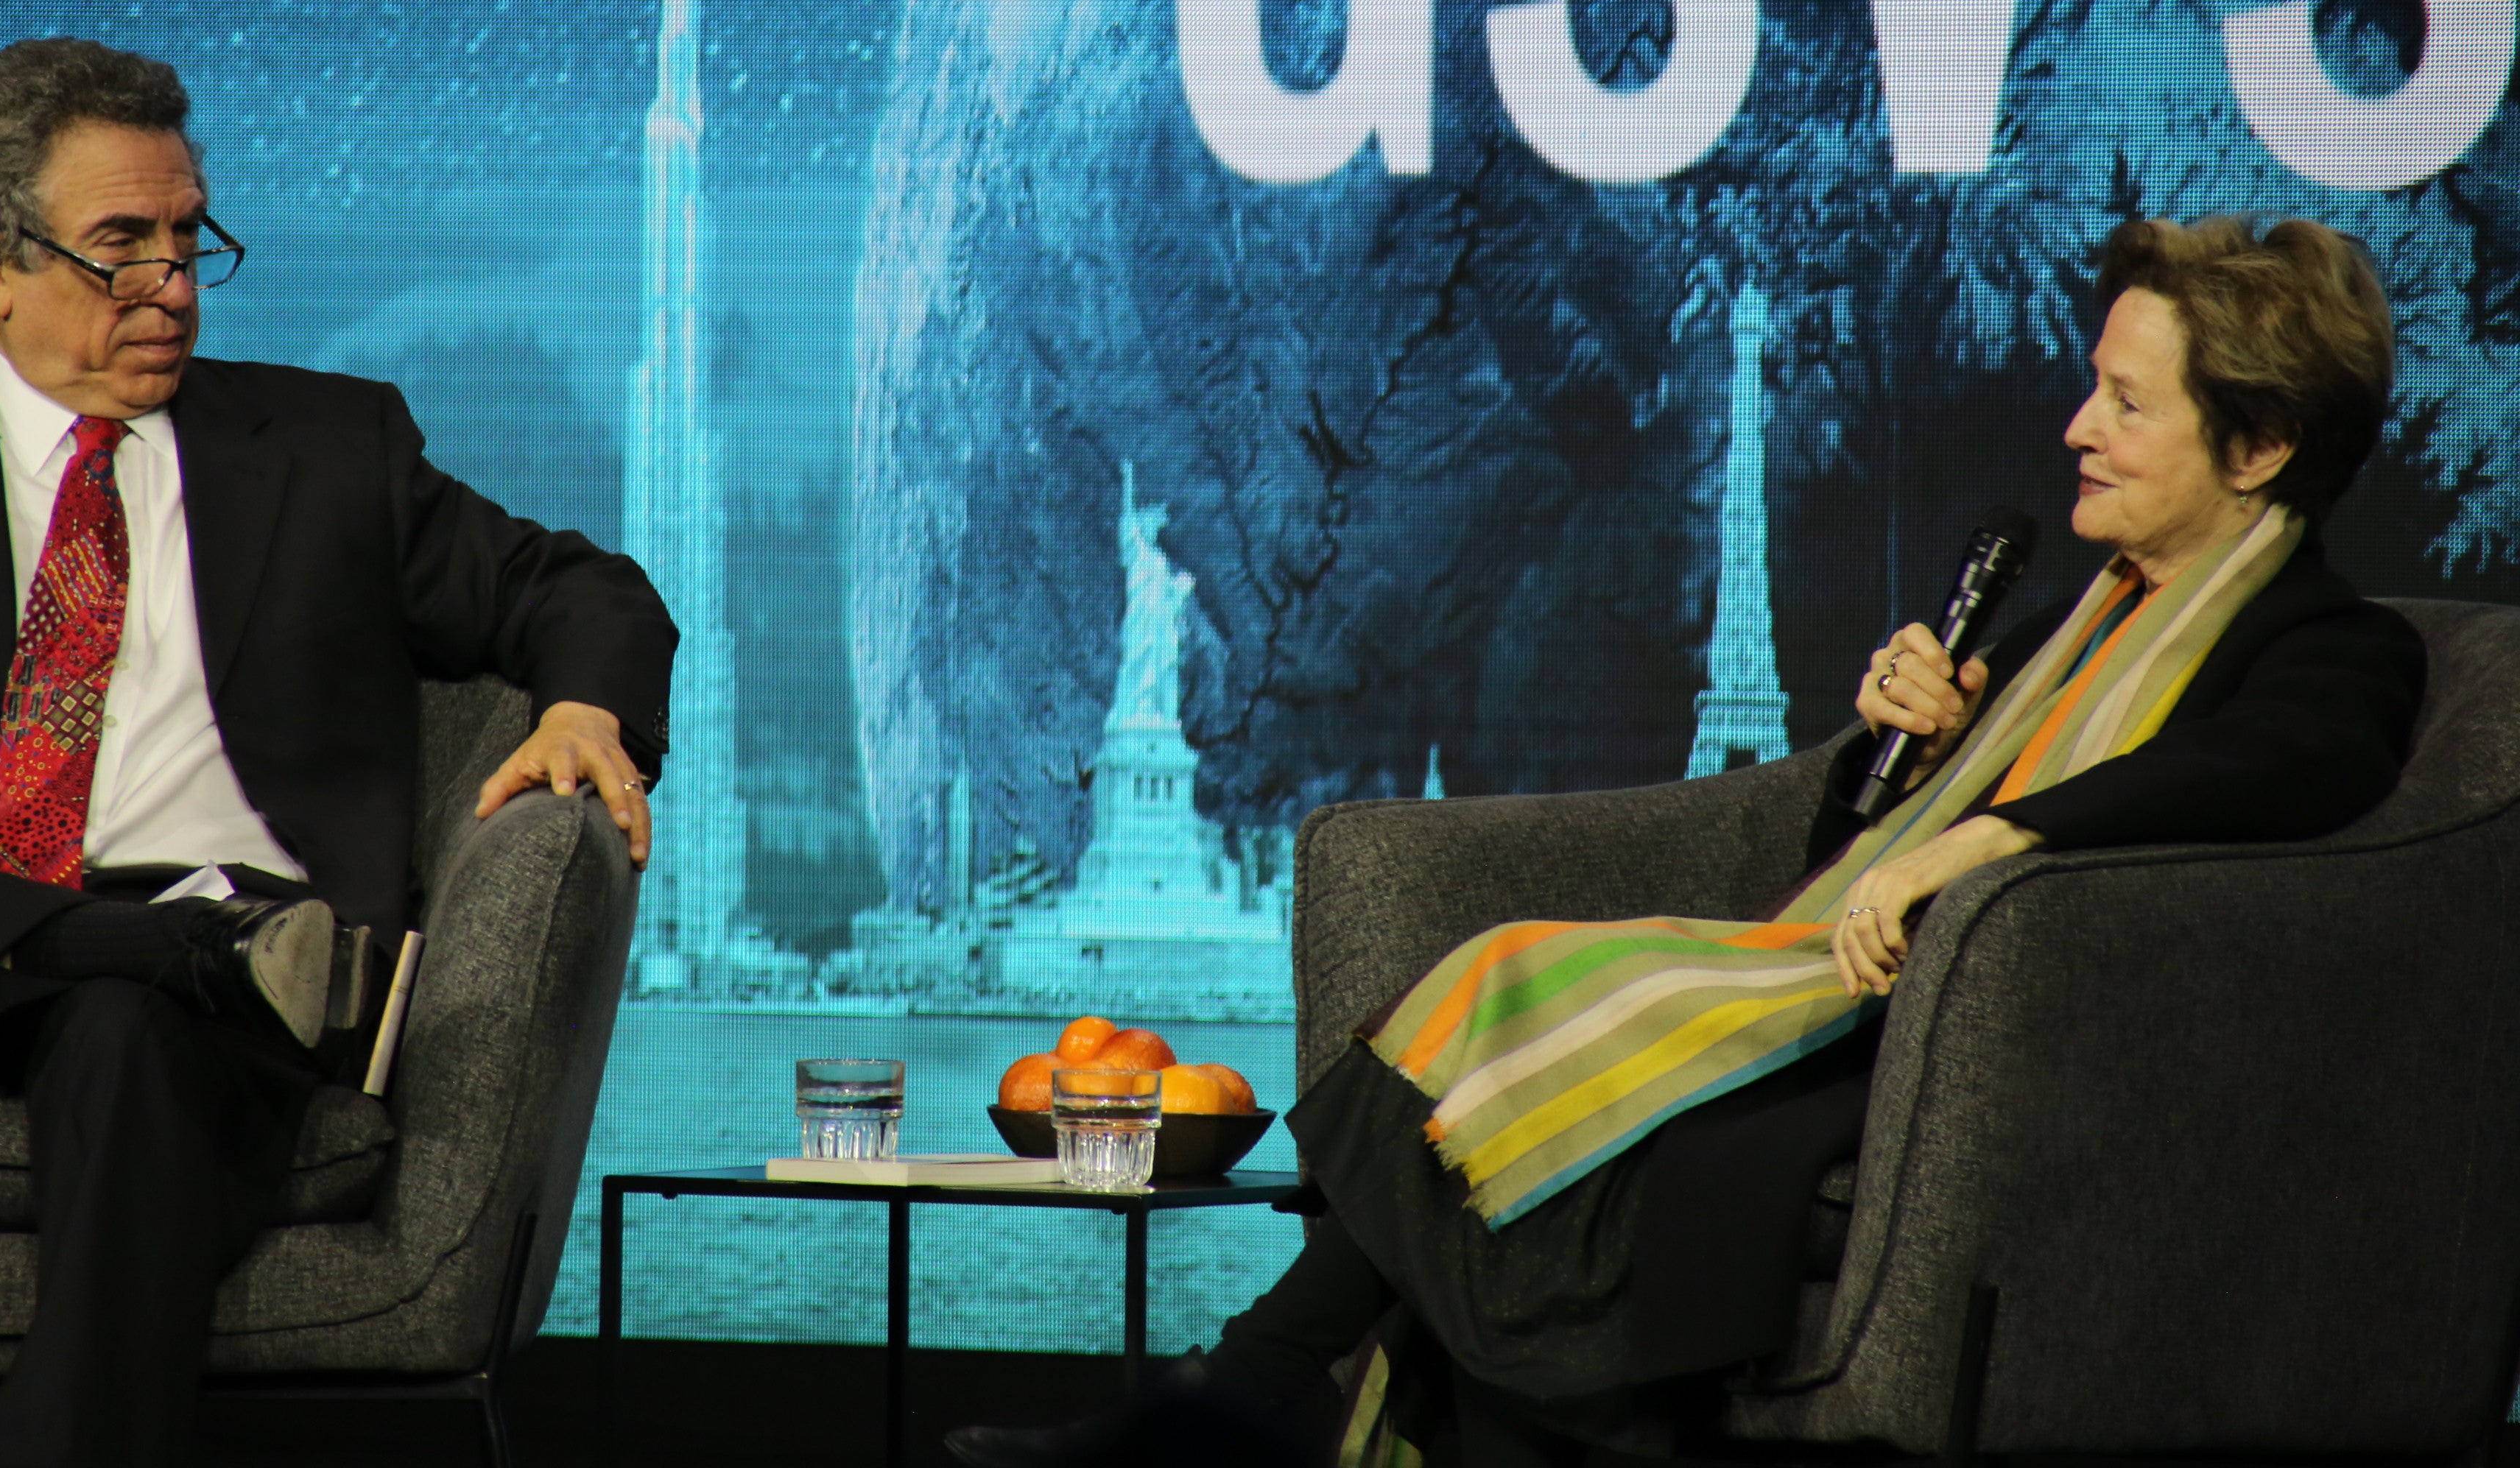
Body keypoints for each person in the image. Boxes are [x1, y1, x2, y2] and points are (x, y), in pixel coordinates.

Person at [948, 214, 2425, 1468]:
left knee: (1553, 1052)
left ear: (2262, 444)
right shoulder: (2070, 632)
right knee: (1515, 995)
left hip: (1990, 1059)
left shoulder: (2331, 648)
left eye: (2123, 399)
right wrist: (1921, 744)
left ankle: (1217, 1413)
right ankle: (1232, 1402)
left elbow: (2278, 764)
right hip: (1867, 997)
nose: (2076, 428)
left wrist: (1968, 832)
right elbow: (1853, 848)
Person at [0, 38, 677, 1468]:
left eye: (188, 238)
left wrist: (586, 707)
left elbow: (575, 586)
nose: (171, 283)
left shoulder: (328, 450)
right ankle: (129, 944)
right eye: (120, 248)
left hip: (196, 960)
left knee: (127, 1034)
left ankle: (150, 968)